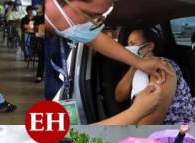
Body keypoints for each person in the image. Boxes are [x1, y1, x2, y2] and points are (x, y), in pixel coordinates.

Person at [45, 0, 175, 125]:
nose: (93, 25)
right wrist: (136, 112)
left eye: (101, 17)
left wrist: (138, 63)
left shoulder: (67, 31)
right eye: (90, 15)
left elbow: (95, 39)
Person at [115, 25, 195, 124]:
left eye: (133, 44)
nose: (128, 48)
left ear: (149, 46)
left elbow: (154, 117)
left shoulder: (162, 66)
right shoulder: (136, 68)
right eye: (128, 44)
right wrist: (135, 65)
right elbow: (119, 96)